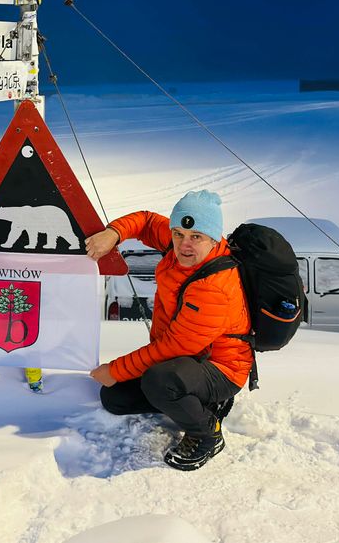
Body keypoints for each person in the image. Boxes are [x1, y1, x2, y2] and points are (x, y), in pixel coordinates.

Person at [84, 189, 251, 470]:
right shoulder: (180, 238)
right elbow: (148, 222)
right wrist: (114, 233)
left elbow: (174, 347)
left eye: (196, 237)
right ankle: (195, 401)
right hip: (184, 362)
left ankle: (206, 432)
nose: (185, 245)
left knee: (160, 382)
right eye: (178, 235)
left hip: (222, 368)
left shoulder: (215, 288)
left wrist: (115, 370)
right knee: (115, 399)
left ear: (213, 238)